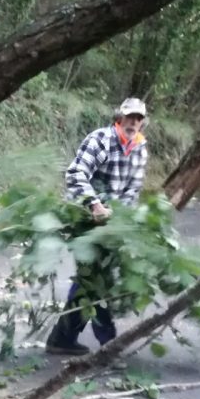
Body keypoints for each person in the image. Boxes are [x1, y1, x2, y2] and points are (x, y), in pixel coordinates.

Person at [45, 97, 149, 356]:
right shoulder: (101, 140)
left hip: (112, 224)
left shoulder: (139, 149)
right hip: (85, 218)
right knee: (96, 279)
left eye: (138, 119)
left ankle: (63, 338)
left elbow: (133, 190)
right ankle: (109, 343)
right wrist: (94, 205)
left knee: (90, 280)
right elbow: (76, 173)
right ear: (119, 117)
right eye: (129, 117)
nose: (133, 122)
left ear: (143, 123)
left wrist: (120, 216)